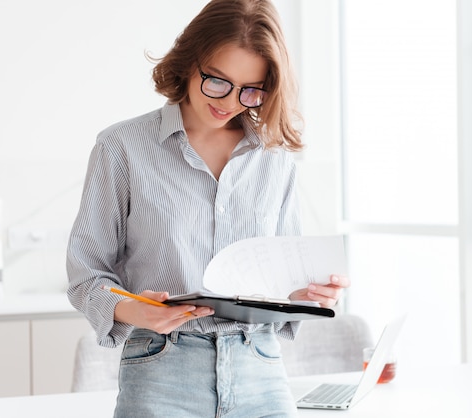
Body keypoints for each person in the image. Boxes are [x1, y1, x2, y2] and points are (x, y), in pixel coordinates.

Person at [67, 0, 350, 416]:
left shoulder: (273, 158)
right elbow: (86, 275)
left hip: (260, 369)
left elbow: (280, 278)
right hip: (163, 371)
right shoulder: (122, 148)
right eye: (217, 81)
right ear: (190, 61)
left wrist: (309, 294)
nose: (230, 102)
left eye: (250, 90)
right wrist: (135, 309)